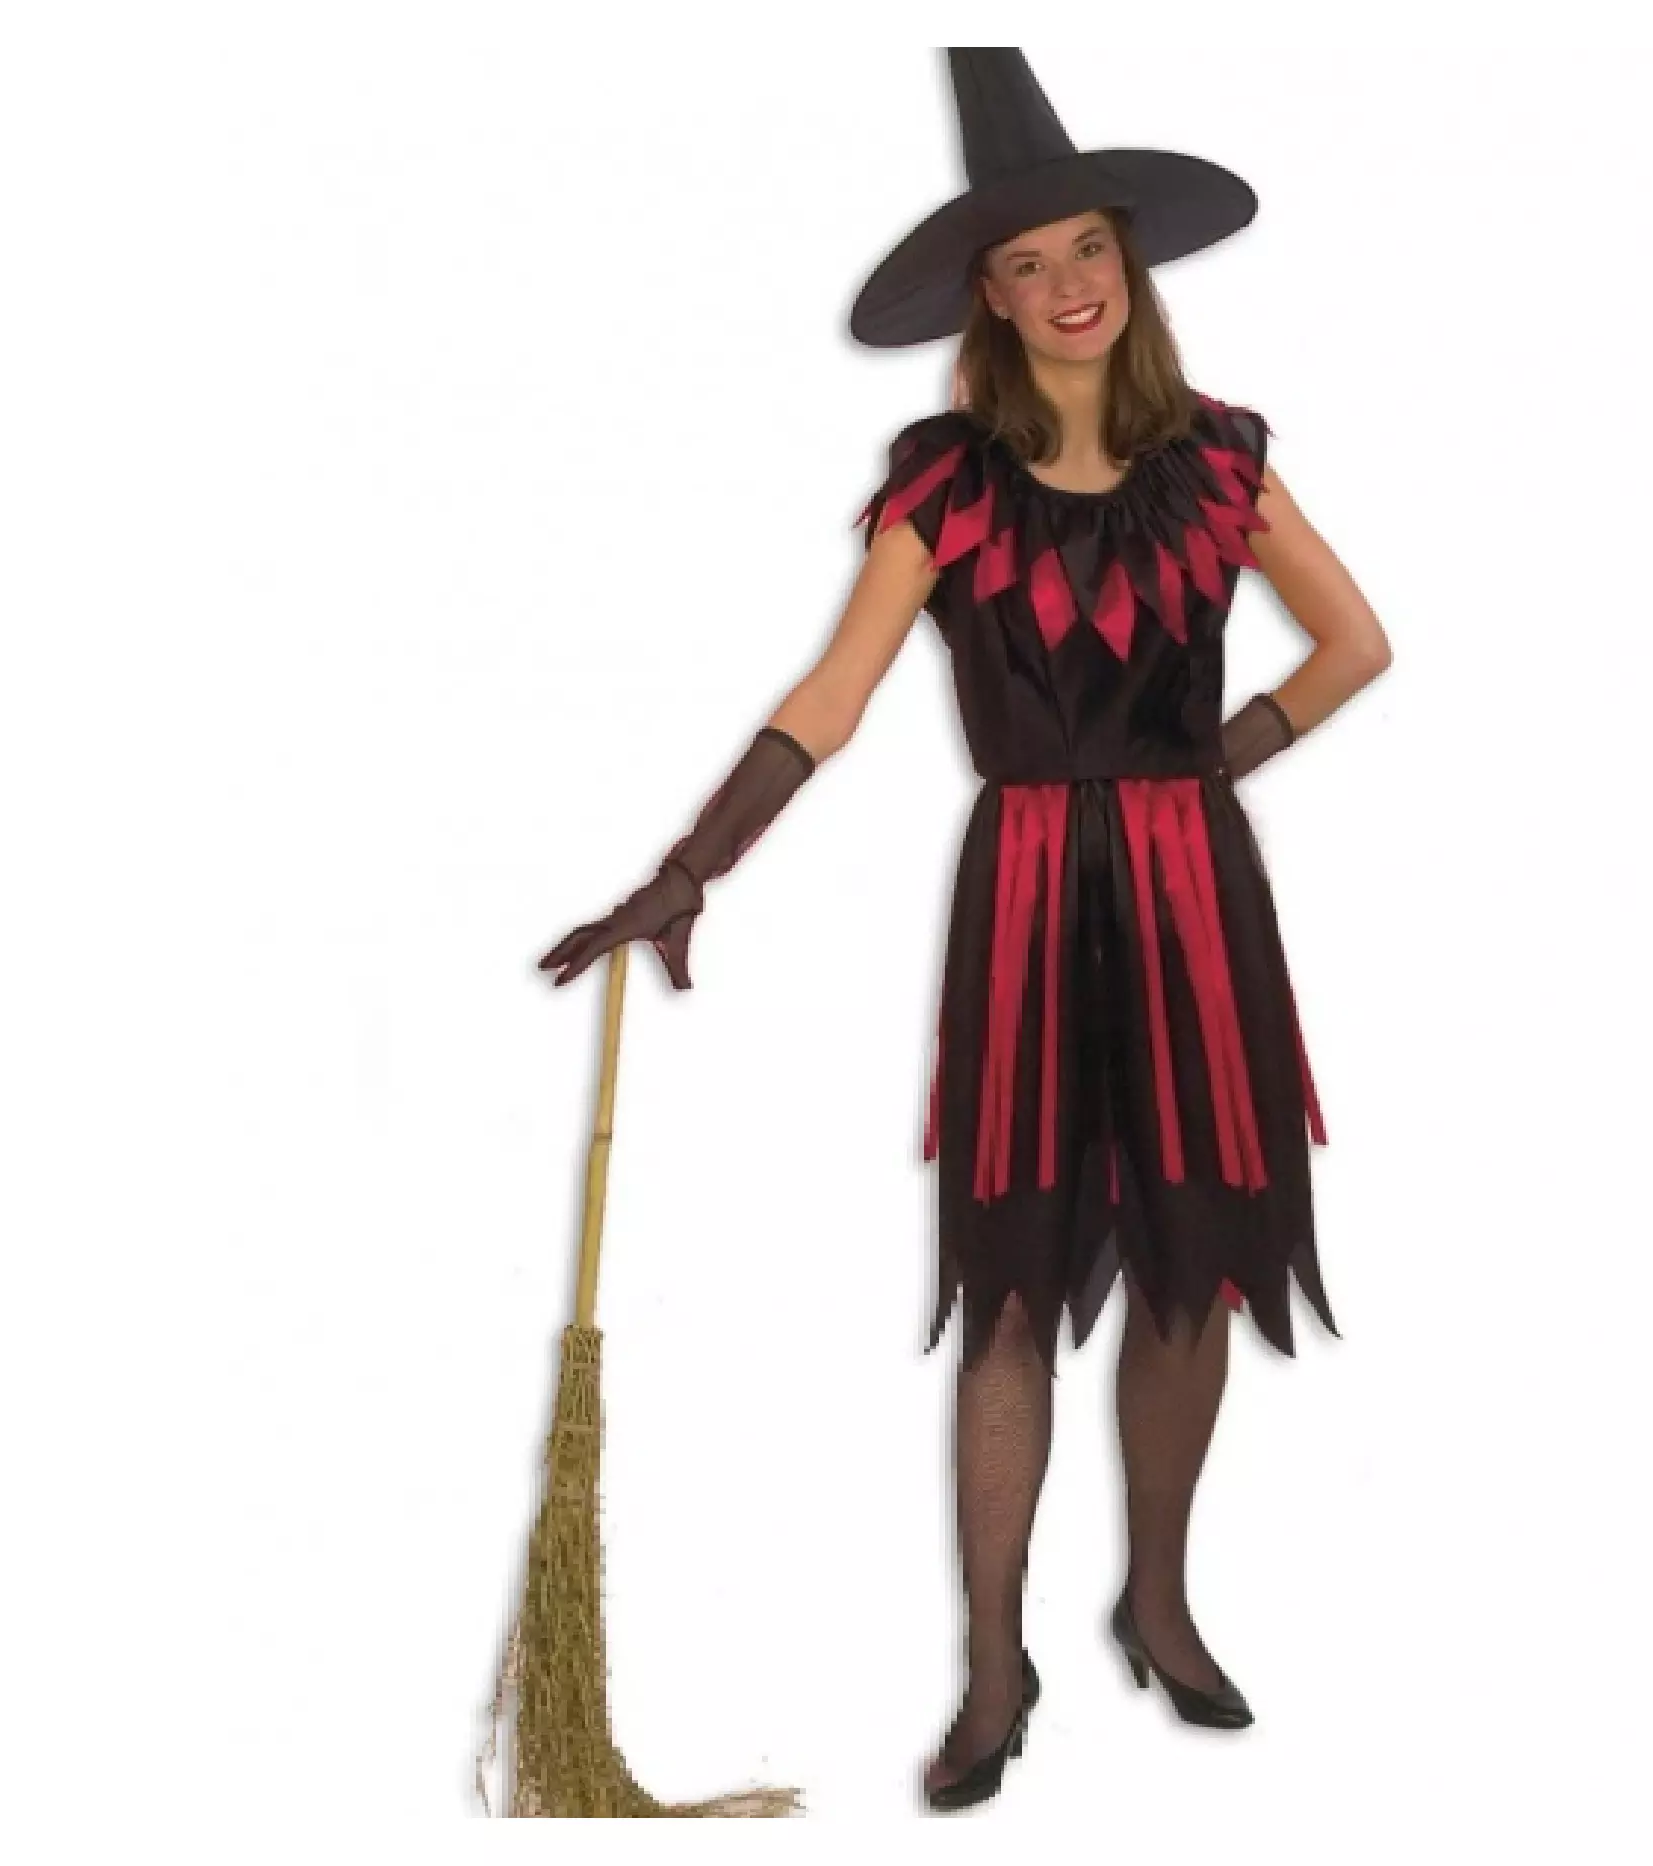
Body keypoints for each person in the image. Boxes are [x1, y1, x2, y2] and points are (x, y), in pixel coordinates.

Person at [537, 50, 1392, 1813]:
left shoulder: (1219, 460)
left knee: (1194, 1264)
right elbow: (834, 694)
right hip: (1026, 910)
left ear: (1126, 260)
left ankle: (1158, 1601)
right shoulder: (948, 485)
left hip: (1194, 902)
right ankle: (996, 1660)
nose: (1067, 282)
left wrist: (1212, 761)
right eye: (1025, 262)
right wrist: (696, 865)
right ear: (988, 298)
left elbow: (1356, 643)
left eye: (1087, 247)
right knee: (1008, 1292)